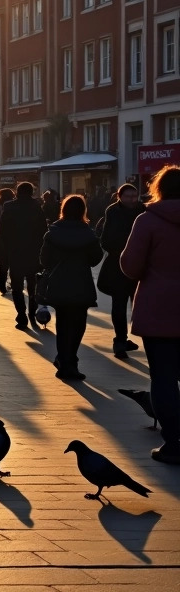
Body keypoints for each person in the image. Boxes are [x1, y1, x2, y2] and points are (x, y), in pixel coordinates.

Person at [120, 165, 180, 465]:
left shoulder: (148, 221)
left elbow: (130, 266)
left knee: (164, 378)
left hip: (159, 312)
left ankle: (173, 443)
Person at [38, 194, 102, 381]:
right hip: (81, 283)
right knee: (78, 324)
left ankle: (64, 361)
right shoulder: (88, 234)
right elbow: (95, 259)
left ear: (63, 210)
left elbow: (44, 260)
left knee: (63, 323)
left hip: (59, 284)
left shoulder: (52, 233)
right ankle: (71, 361)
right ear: (83, 210)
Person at [97, 183, 144, 359]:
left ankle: (124, 340)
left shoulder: (143, 210)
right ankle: (120, 341)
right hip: (120, 265)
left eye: (134, 196)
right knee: (120, 304)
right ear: (119, 196)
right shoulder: (113, 212)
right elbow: (106, 240)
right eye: (128, 196)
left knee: (138, 305)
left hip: (139, 266)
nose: (132, 200)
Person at [0, 182, 48, 330]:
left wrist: (6, 250)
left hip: (15, 253)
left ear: (17, 192)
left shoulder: (9, 207)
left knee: (17, 286)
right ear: (31, 192)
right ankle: (32, 310)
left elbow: (3, 231)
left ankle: (21, 316)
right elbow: (43, 231)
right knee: (32, 284)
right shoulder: (36, 207)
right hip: (33, 252)